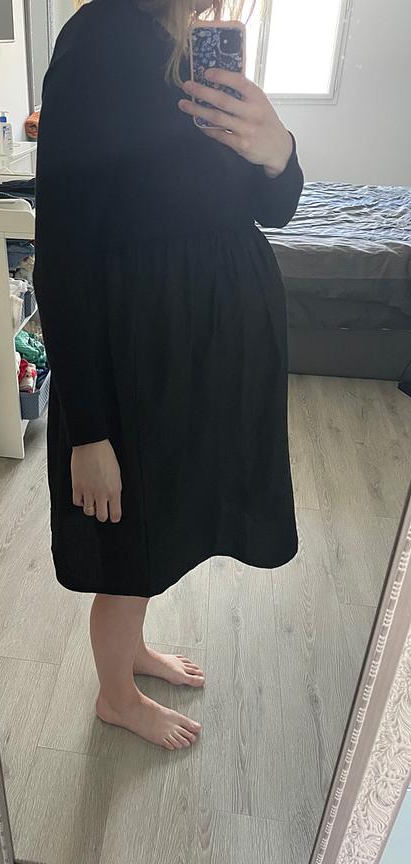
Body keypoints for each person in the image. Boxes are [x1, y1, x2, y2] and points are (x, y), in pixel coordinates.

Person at [34, 0, 304, 751]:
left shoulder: (194, 42)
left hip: (204, 356)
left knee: (165, 526)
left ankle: (135, 654)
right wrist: (89, 432)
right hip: (136, 359)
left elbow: (274, 208)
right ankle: (115, 696)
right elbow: (61, 253)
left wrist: (277, 149)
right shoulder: (97, 40)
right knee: (129, 543)